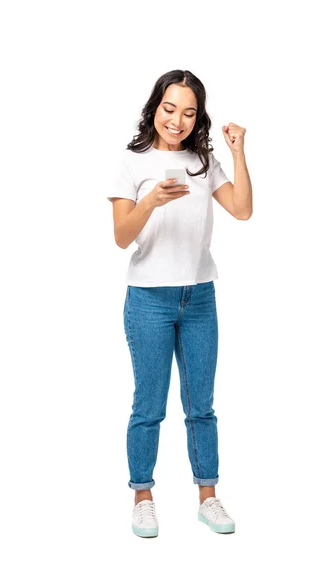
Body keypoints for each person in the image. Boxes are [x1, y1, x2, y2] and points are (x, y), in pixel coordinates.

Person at [107, 69, 253, 537]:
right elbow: (120, 237)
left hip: (200, 296)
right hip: (149, 299)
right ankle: (143, 496)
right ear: (156, 107)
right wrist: (149, 202)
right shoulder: (131, 163)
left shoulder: (203, 161)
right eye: (170, 108)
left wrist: (237, 153)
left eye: (189, 112)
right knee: (148, 406)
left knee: (201, 405)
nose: (178, 119)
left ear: (197, 117)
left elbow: (243, 210)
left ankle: (207, 496)